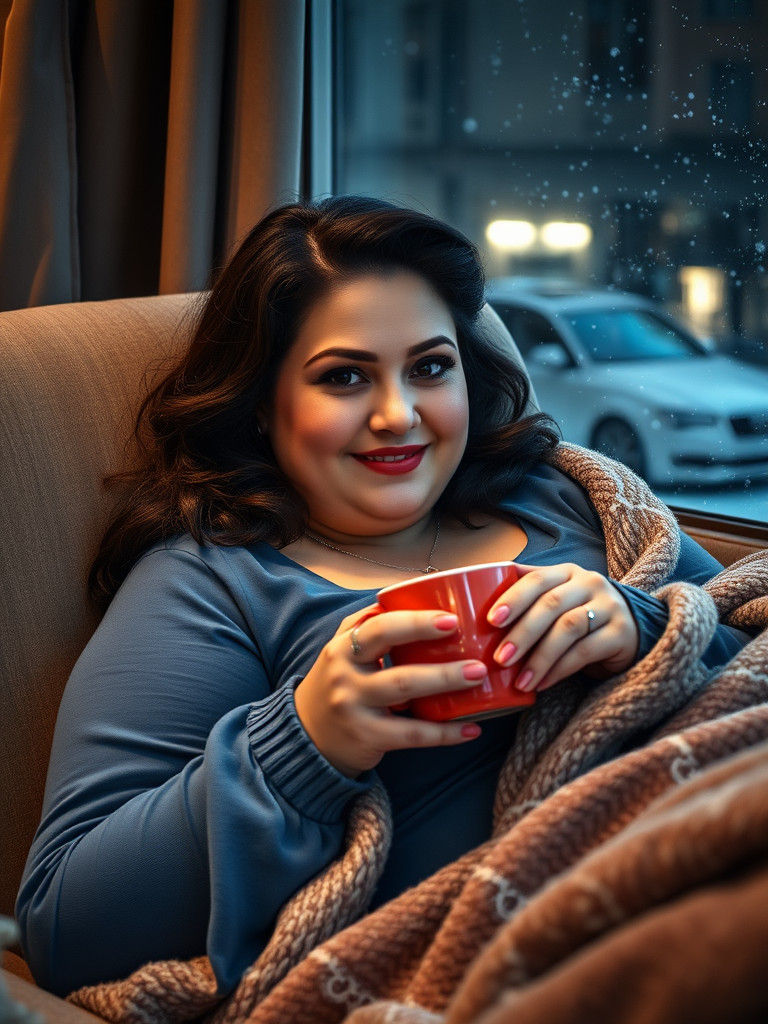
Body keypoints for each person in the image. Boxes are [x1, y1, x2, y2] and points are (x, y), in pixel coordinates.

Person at [15, 195, 752, 998]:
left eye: (431, 367)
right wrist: (306, 743)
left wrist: (651, 629)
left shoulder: (567, 494)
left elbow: (746, 635)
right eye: (343, 377)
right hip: (556, 952)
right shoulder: (214, 584)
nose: (399, 415)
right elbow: (65, 926)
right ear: (264, 405)